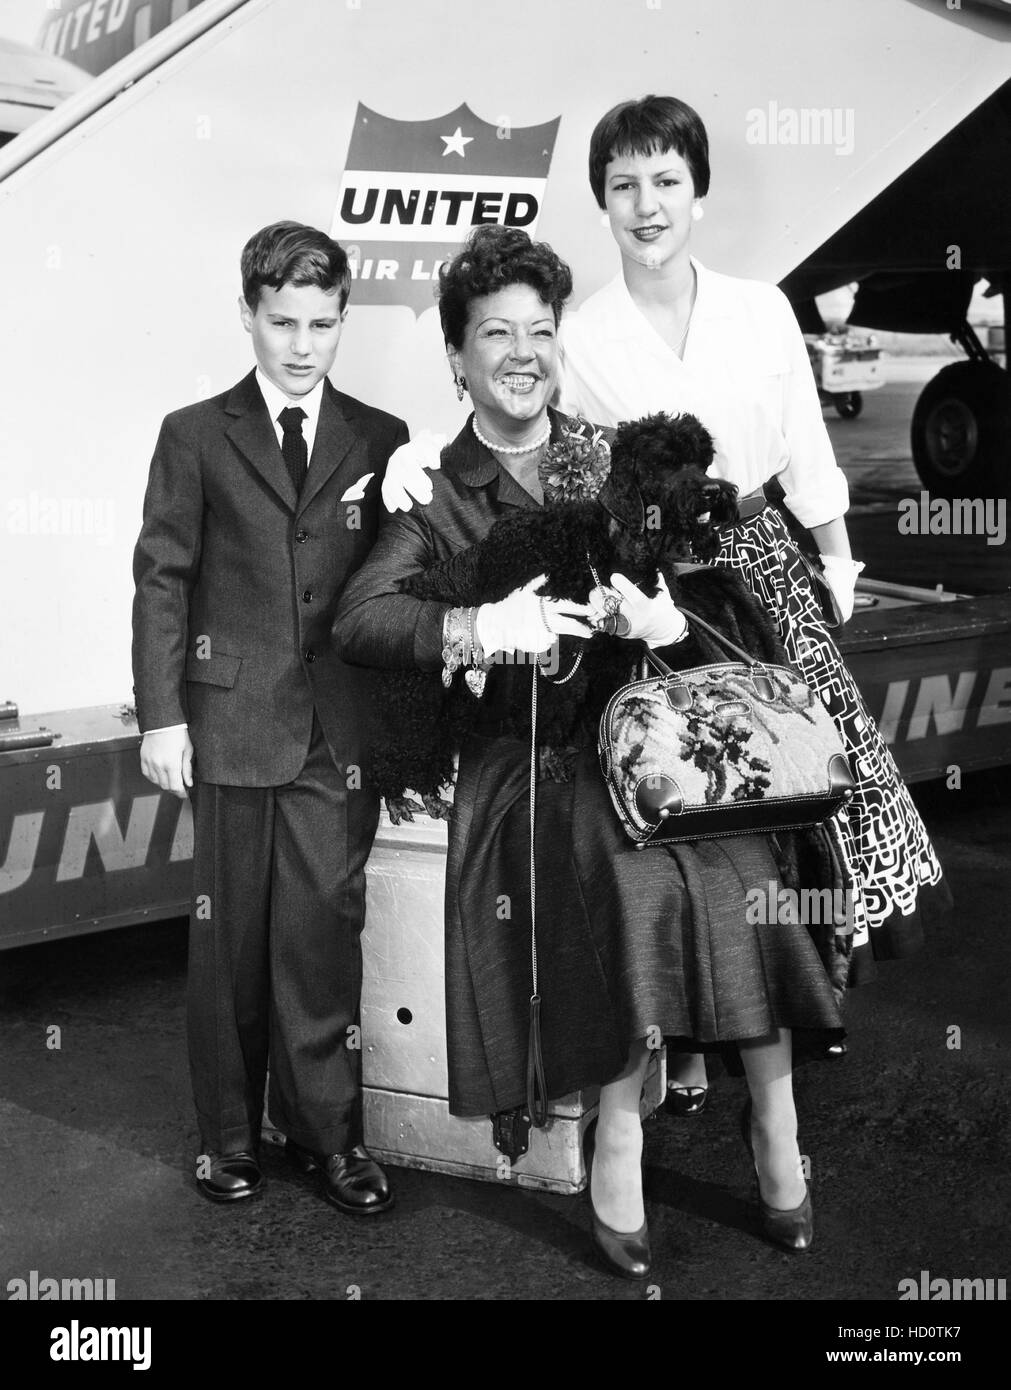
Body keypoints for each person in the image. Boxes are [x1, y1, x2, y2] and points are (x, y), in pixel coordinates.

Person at [383, 95, 950, 1117]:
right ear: (602, 201)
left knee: (800, 782)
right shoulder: (584, 332)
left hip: (766, 563)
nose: (648, 206)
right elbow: (532, 421)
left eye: (667, 181)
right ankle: (686, 1034)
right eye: (624, 186)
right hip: (658, 584)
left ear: (698, 191)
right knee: (691, 797)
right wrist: (419, 450)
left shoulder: (761, 306)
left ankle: (786, 1002)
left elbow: (804, 440)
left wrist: (840, 552)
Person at [335, 225, 851, 1278]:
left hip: (653, 736)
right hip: (534, 760)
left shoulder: (609, 455)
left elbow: (713, 578)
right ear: (455, 357)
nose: (522, 350)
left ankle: (775, 1115)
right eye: (495, 333)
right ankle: (621, 1127)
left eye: (539, 329)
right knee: (634, 874)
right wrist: (479, 630)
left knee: (744, 864)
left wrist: (661, 619)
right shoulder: (429, 487)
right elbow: (361, 618)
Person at [132, 220, 408, 1214]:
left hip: (336, 736)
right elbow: (161, 580)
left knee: (321, 939)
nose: (300, 343)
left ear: (344, 321)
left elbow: (396, 594)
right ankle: (229, 1139)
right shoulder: (195, 434)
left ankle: (329, 1138)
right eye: (281, 320)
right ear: (247, 314)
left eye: (321, 323)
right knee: (229, 947)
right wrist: (162, 717)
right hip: (227, 726)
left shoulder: (382, 441)